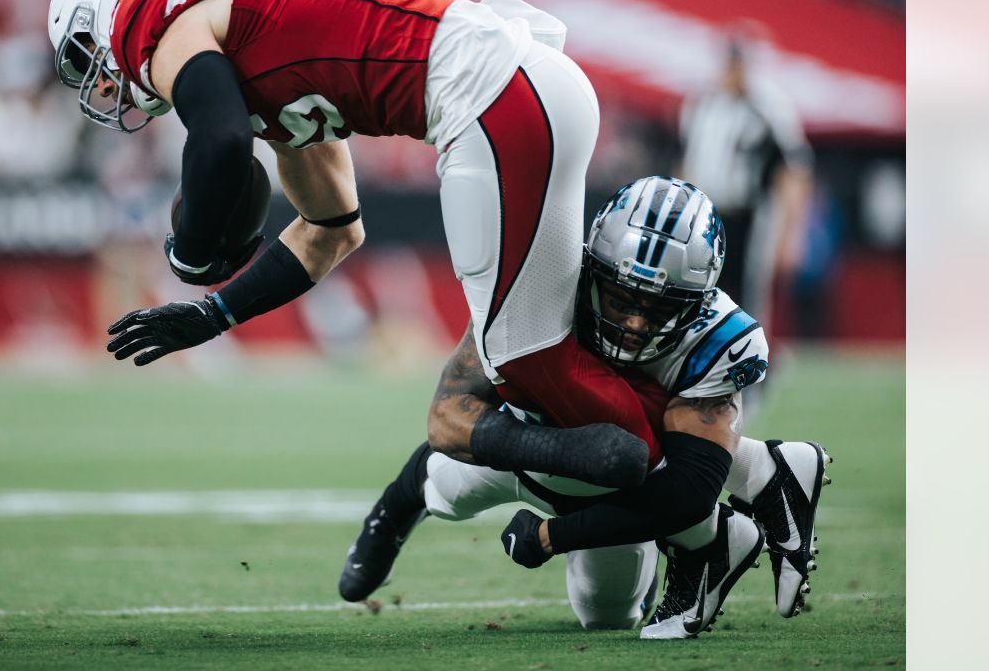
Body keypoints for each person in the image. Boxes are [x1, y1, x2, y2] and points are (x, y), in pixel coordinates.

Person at [48, 0, 661, 489]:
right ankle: (696, 473)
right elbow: (332, 231)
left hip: (488, 99)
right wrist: (214, 313)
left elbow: (221, 140)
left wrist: (191, 250)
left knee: (526, 362)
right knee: (551, 350)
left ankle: (696, 477)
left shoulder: (145, 7)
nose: (103, 79)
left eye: (87, 53)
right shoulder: (260, 34)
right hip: (533, 82)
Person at [339, 178, 831, 639]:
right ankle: (390, 514)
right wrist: (563, 449)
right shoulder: (539, 284)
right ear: (592, 269)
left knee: (605, 614)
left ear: (699, 303)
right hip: (526, 447)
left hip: (621, 492)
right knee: (445, 486)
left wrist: (550, 536)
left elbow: (687, 492)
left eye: (660, 309)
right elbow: (447, 416)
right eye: (620, 298)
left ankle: (740, 505)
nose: (636, 323)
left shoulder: (718, 339)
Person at [678, 29, 814, 327]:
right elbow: (687, 160)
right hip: (707, 212)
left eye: (739, 63)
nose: (733, 69)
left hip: (751, 214)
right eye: (730, 61)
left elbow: (792, 168)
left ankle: (751, 357)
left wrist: (793, 230)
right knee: (700, 283)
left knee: (749, 289)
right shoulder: (701, 103)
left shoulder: (768, 107)